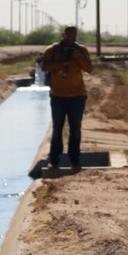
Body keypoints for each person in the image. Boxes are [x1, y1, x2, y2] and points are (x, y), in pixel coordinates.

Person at [39, 26, 93, 174]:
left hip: (77, 96)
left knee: (75, 129)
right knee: (57, 129)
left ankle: (75, 161)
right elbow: (44, 66)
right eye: (68, 38)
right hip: (58, 96)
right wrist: (62, 63)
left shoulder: (81, 50)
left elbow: (89, 68)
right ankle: (54, 161)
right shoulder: (52, 50)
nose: (70, 41)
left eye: (73, 38)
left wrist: (78, 57)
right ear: (63, 35)